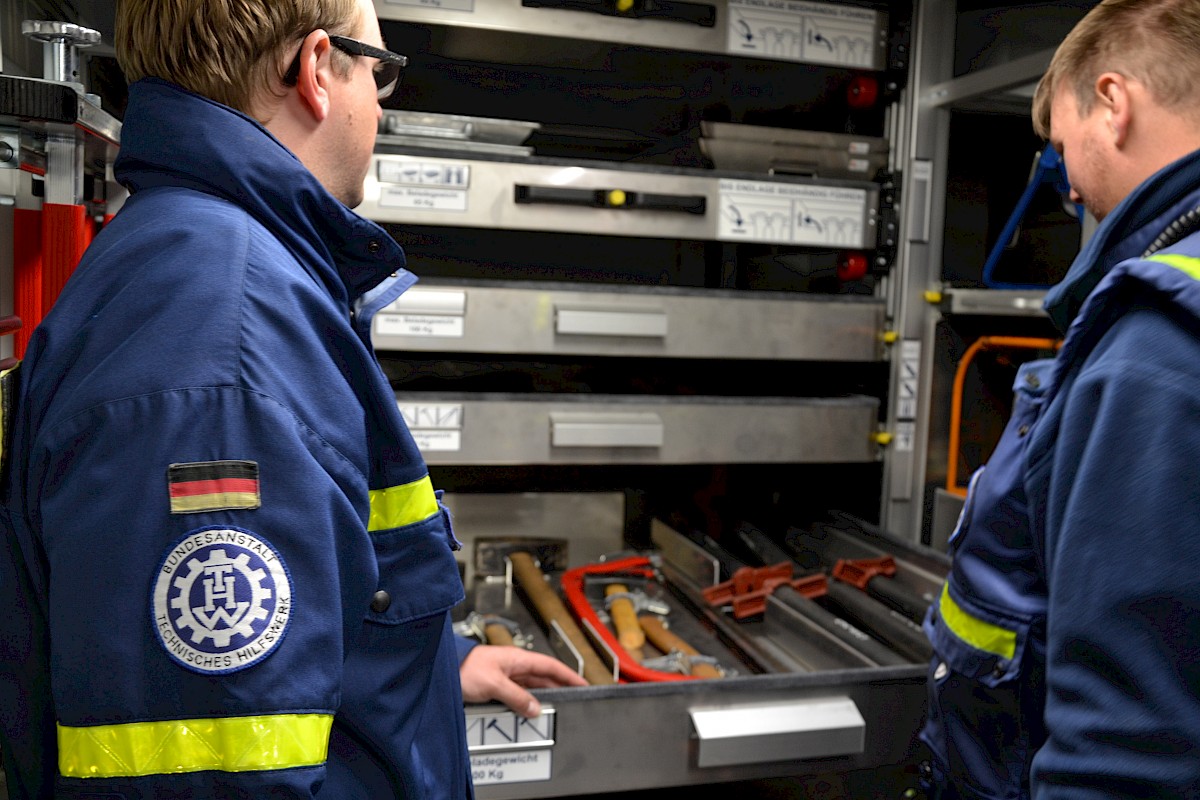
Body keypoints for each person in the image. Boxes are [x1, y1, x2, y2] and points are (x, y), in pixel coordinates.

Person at [0, 0, 584, 797]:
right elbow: (211, 773)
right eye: (377, 73)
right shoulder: (219, 339)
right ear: (315, 70)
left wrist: (422, 661)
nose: (379, 104)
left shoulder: (211, 264)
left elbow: (275, 621)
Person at [920, 0, 1200, 796]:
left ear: (1113, 105)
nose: (1068, 190)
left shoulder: (1154, 347)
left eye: (1062, 147)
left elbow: (1125, 744)